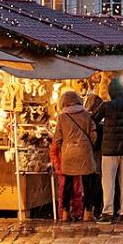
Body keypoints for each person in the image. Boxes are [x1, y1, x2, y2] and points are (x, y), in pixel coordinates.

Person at [96, 79, 123, 223]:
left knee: (108, 182)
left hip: (109, 149)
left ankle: (108, 212)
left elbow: (94, 119)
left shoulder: (106, 106)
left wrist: (105, 128)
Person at [54, 90, 97, 221]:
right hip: (84, 151)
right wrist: (89, 146)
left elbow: (58, 138)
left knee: (67, 183)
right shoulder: (87, 115)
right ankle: (87, 213)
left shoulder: (61, 117)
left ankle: (66, 213)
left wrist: (65, 149)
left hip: (68, 152)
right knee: (88, 182)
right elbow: (94, 134)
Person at [82, 93, 104, 221]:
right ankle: (96, 209)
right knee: (96, 183)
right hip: (96, 155)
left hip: (86, 153)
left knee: (87, 183)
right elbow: (97, 139)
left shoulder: (84, 118)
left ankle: (87, 211)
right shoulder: (97, 121)